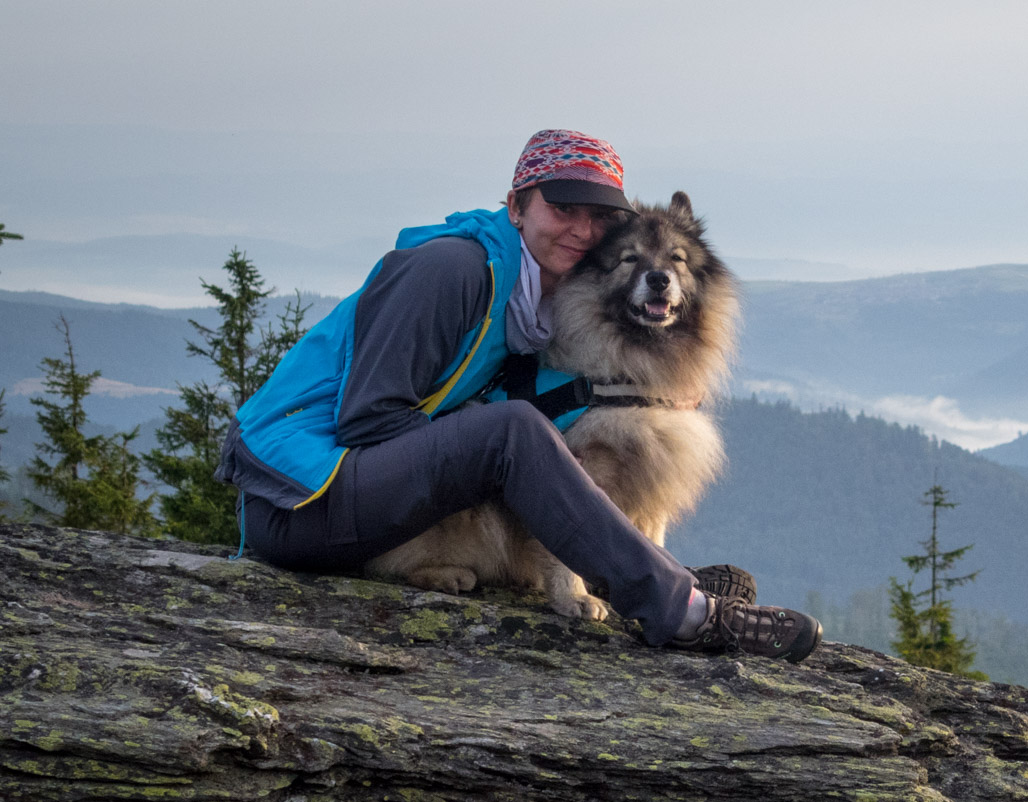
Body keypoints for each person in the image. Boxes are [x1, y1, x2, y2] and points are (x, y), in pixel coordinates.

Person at [217, 129, 820, 662]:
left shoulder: (524, 300)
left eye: (598, 215)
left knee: (518, 428)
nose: (581, 230)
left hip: (355, 496)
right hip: (299, 502)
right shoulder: (451, 270)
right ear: (516, 206)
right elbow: (366, 418)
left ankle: (634, 570)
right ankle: (683, 612)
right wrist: (478, 455)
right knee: (512, 429)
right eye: (562, 208)